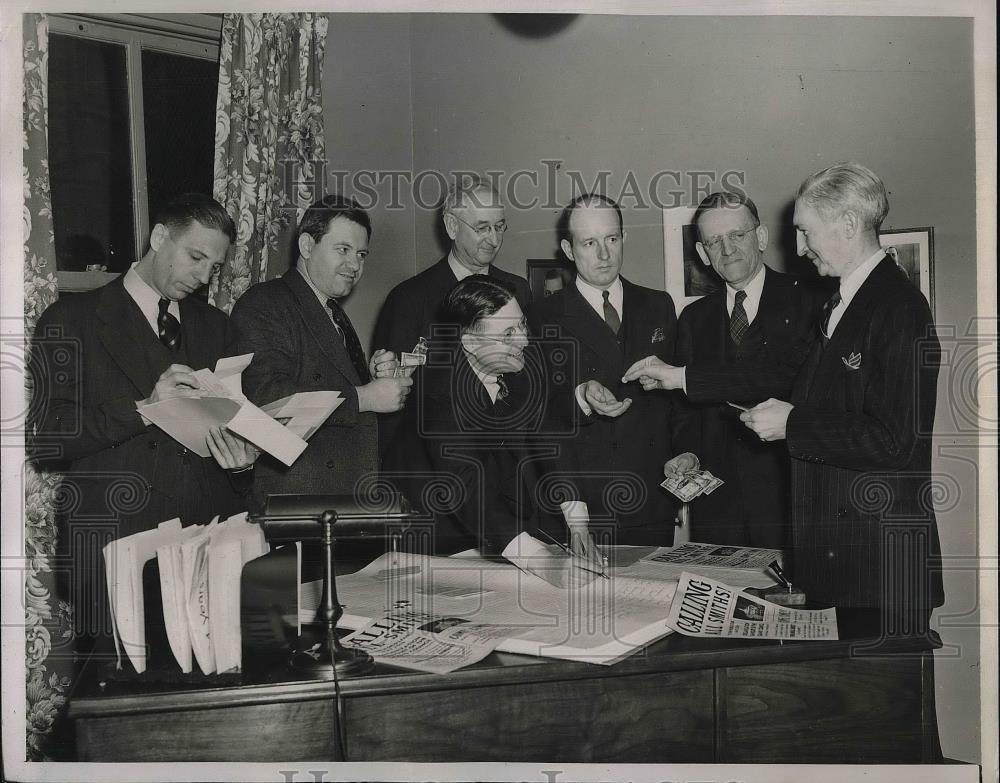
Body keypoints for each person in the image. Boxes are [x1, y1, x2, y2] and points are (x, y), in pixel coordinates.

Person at [30, 193, 258, 653]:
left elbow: (233, 426)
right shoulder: (70, 318)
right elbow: (49, 441)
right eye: (195, 257)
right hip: (114, 555)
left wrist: (241, 463)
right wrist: (144, 407)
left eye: (213, 267)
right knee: (117, 712)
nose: (202, 276)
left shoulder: (218, 327)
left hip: (203, 554)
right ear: (158, 237)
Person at [740, 162, 942, 631]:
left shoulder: (900, 307)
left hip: (882, 576)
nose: (799, 247)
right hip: (843, 570)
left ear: (848, 224)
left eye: (806, 231)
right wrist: (684, 377)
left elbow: (896, 442)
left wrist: (792, 424)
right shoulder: (841, 302)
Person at [621, 191, 826, 548]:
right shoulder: (693, 319)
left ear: (760, 237)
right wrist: (687, 452)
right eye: (714, 241)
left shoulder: (810, 301)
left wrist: (682, 378)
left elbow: (789, 382)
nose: (727, 249)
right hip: (719, 508)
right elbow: (686, 412)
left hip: (792, 499)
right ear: (702, 254)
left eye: (737, 235)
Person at [384, 276, 602, 585]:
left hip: (491, 536)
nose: (524, 340)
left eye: (522, 325)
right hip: (429, 547)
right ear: (470, 342)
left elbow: (549, 437)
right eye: (509, 333)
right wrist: (543, 562)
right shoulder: (439, 394)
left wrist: (578, 523)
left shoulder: (517, 365)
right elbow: (468, 491)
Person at [230, 195, 410, 510]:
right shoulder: (263, 303)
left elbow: (324, 376)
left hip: (341, 502)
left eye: (362, 254)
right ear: (307, 246)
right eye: (343, 250)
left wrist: (372, 376)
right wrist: (365, 396)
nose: (355, 265)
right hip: (296, 507)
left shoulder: (331, 310)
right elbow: (271, 399)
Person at [530, 193, 679, 545]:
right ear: (568, 250)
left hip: (648, 499)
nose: (603, 254)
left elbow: (676, 403)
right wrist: (581, 396)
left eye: (611, 239)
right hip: (577, 502)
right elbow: (535, 413)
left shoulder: (658, 305)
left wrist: (685, 451)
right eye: (589, 242)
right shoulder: (540, 316)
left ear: (624, 238)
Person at [372, 176, 531, 455]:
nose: (494, 240)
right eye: (482, 228)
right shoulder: (409, 299)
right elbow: (393, 405)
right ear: (452, 226)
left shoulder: (519, 291)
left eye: (499, 227)